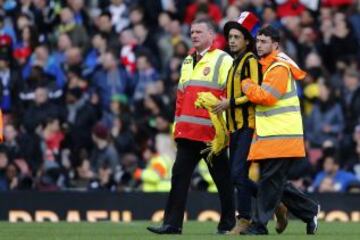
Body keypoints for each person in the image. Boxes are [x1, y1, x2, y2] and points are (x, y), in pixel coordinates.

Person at [147, 18, 235, 235]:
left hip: (211, 134)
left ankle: (228, 224)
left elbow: (232, 93)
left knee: (223, 180)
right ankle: (172, 224)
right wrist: (177, 126)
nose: (194, 35)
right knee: (178, 178)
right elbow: (181, 97)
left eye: (199, 32)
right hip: (187, 132)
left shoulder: (223, 60)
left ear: (211, 35)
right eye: (192, 31)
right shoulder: (187, 61)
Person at [240, 25, 319, 235]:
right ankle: (310, 211)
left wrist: (246, 85)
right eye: (258, 41)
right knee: (275, 183)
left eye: (264, 41)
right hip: (272, 136)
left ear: (276, 44)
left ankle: (259, 225)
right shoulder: (267, 66)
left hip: (281, 135)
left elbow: (267, 97)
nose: (259, 45)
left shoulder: (279, 68)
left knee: (269, 182)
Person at [212, 11, 260, 234]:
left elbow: (254, 94)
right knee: (236, 174)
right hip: (234, 127)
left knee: (238, 173)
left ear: (247, 41)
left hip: (247, 125)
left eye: (237, 37)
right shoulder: (234, 63)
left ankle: (245, 219)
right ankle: (275, 203)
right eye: (230, 37)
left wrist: (229, 103)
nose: (231, 40)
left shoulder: (251, 61)